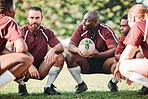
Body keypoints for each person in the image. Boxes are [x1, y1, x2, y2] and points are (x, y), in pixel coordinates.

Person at [13, 6, 64, 95]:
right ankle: (22, 86)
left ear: (41, 18)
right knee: (13, 64)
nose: (34, 21)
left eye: (37, 18)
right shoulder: (20, 32)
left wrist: (53, 50)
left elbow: (60, 46)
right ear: (27, 17)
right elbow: (14, 54)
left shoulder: (47, 32)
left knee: (59, 56)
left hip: (41, 68)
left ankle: (48, 87)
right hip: (25, 69)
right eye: (32, 18)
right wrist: (29, 65)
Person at [65, 10, 118, 94]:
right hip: (87, 63)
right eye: (84, 19)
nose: (83, 22)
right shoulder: (80, 28)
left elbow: (115, 49)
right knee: (69, 56)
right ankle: (81, 84)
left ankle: (113, 83)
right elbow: (71, 45)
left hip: (105, 63)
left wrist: (99, 55)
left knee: (120, 59)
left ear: (95, 22)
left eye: (87, 20)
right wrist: (78, 50)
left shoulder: (106, 30)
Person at [114, 4, 148, 95]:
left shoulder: (138, 25)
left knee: (124, 66)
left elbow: (127, 54)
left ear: (132, 18)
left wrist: (119, 67)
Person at [0, 0, 33, 88]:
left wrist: (14, 60)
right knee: (27, 58)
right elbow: (22, 48)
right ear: (11, 9)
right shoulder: (6, 20)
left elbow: (1, 49)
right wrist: (20, 66)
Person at [108, 14, 144, 93]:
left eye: (124, 26)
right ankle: (112, 82)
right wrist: (130, 55)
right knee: (116, 65)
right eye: (121, 25)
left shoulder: (142, 32)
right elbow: (117, 55)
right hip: (131, 61)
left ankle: (145, 87)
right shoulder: (124, 36)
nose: (121, 28)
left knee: (140, 55)